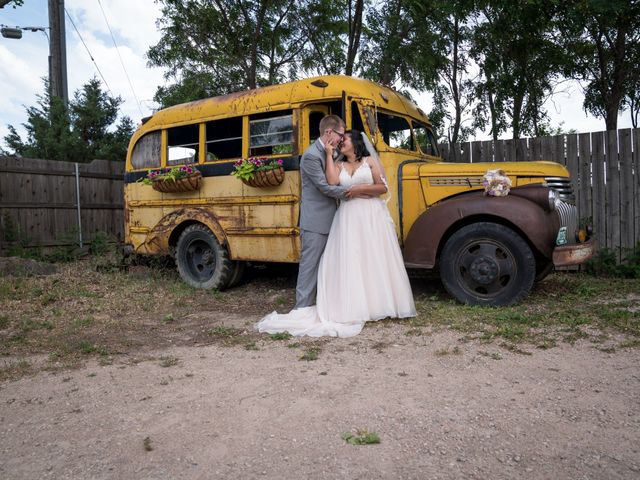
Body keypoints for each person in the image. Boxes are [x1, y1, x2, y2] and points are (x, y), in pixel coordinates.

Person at [257, 129, 416, 337]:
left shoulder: (370, 161)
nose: (341, 142)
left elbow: (382, 188)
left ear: (356, 142)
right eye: (340, 140)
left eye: (345, 139)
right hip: (348, 216)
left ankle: (379, 303)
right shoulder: (339, 164)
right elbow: (332, 182)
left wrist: (358, 190)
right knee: (352, 258)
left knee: (372, 256)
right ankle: (357, 304)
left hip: (370, 215)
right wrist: (329, 154)